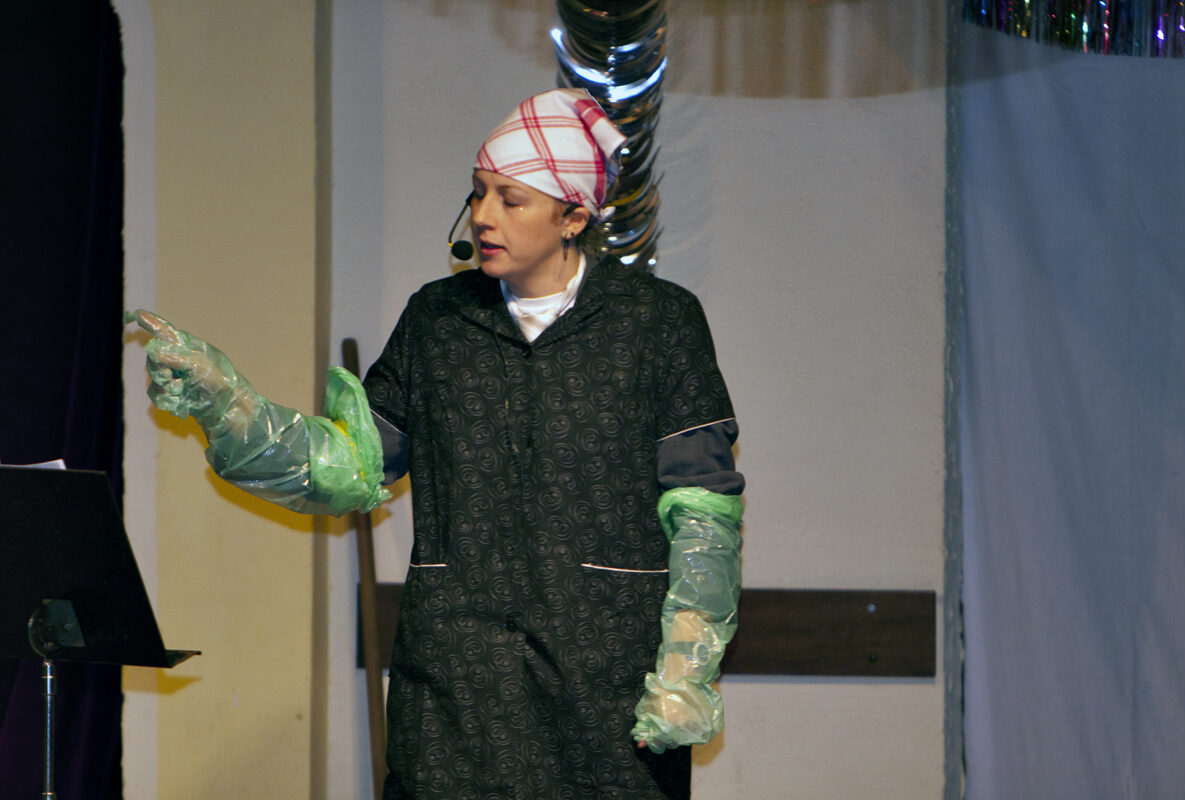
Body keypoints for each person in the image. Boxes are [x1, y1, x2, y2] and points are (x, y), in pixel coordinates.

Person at [130, 88, 744, 800]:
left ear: (573, 217)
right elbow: (347, 466)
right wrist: (226, 403)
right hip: (456, 695)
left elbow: (704, 511)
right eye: (478, 193)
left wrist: (686, 669)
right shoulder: (437, 321)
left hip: (604, 694)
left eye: (511, 199)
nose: (483, 215)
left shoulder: (657, 323)